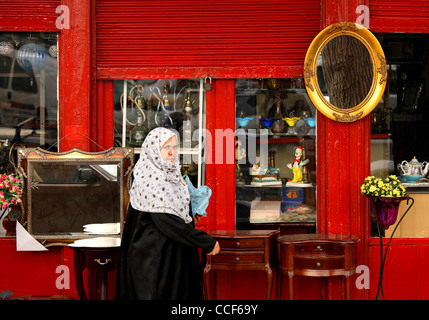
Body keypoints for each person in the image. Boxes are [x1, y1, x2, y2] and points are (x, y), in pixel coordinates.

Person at [115, 127, 220, 300]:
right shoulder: (150, 178)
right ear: (154, 149)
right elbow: (166, 220)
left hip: (168, 259)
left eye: (175, 146)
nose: (172, 152)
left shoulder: (169, 173)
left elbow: (170, 208)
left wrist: (189, 213)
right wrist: (205, 242)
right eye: (166, 147)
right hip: (154, 261)